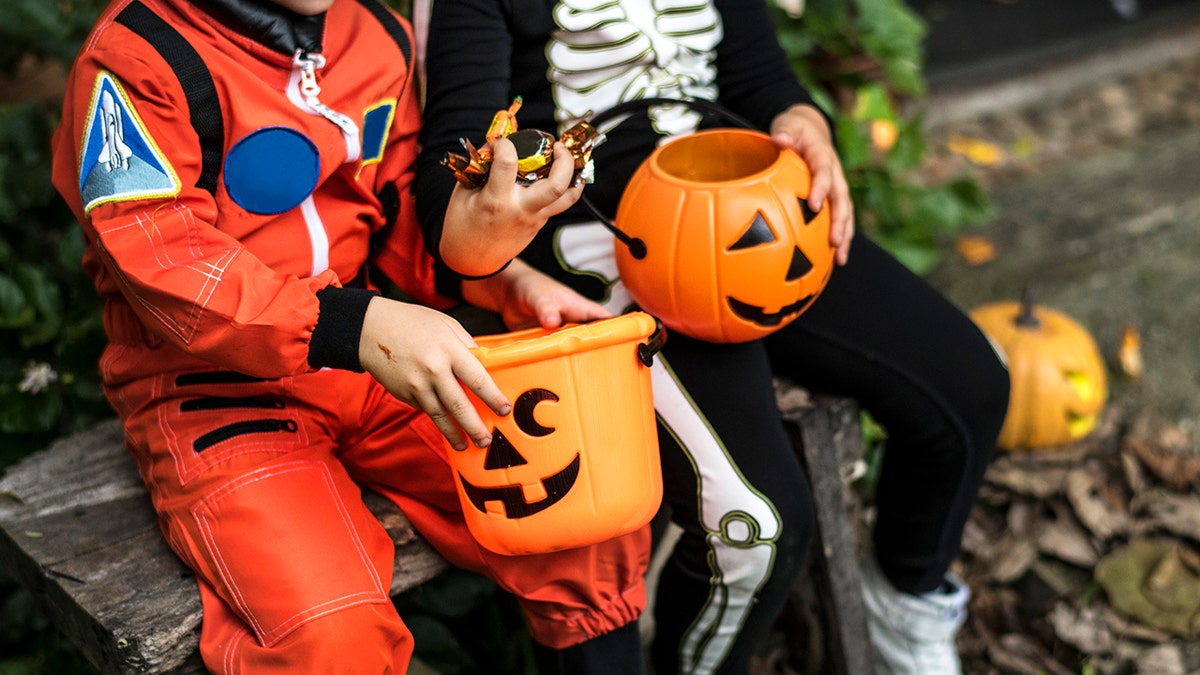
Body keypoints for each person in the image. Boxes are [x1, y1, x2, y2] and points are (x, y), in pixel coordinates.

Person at [50, 0, 653, 672]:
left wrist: (500, 281)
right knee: (330, 641)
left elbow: (395, 213)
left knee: (579, 517)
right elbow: (163, 258)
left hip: (373, 368)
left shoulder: (375, 34)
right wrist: (351, 324)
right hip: (214, 392)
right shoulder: (138, 58)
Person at [412, 1, 1012, 673]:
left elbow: (761, 79)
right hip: (603, 250)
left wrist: (802, 123)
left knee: (970, 385)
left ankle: (905, 606)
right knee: (753, 528)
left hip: (748, 213)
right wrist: (500, 259)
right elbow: (449, 176)